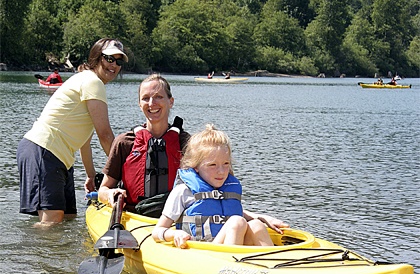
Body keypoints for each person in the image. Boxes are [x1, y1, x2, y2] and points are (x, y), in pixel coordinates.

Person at [17, 38, 127, 226]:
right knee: (51, 222)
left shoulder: (88, 80)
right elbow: (105, 135)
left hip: (60, 157)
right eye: (110, 59)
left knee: (68, 219)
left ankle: (56, 255)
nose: (114, 65)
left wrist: (91, 175)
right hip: (45, 150)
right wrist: (124, 172)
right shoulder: (93, 82)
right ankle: (29, 254)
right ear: (97, 57)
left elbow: (85, 140)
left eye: (119, 61)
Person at [152, 124, 289, 248]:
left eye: (226, 164)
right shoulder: (183, 192)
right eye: (212, 165)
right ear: (196, 167)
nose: (221, 171)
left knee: (256, 225)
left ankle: (273, 266)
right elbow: (157, 231)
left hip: (228, 241)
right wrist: (175, 234)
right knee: (236, 222)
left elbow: (229, 212)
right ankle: (231, 267)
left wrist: (263, 218)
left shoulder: (227, 187)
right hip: (206, 251)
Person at [98, 74, 190, 217]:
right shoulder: (124, 142)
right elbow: (103, 189)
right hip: (134, 217)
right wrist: (110, 193)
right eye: (146, 98)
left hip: (175, 219)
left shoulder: (187, 143)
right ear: (139, 104)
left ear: (170, 102)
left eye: (158, 96)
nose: (152, 103)